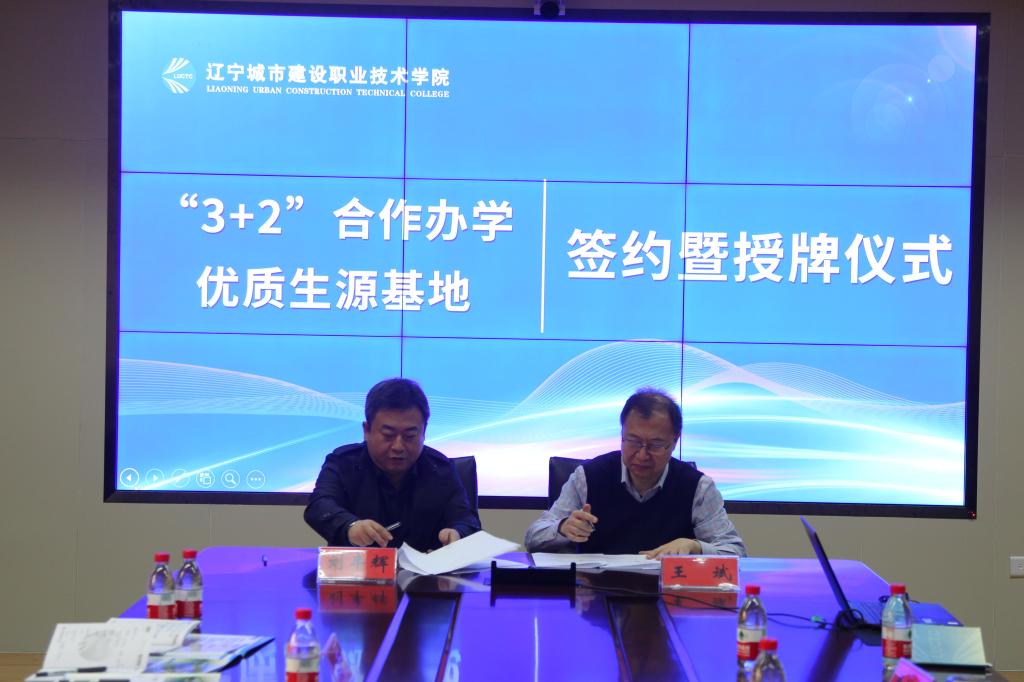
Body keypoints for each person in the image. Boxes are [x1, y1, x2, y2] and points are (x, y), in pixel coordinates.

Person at [525, 388, 745, 557]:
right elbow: (534, 536)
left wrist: (695, 546)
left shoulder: (697, 487)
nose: (642, 454)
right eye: (633, 441)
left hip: (670, 595)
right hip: (596, 593)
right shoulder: (588, 477)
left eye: (655, 445)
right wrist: (563, 528)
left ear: (674, 441)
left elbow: (735, 551)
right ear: (622, 434)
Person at [305, 378, 481, 551]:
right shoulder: (343, 462)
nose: (398, 446)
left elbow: (467, 520)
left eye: (409, 436)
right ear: (367, 430)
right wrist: (350, 526)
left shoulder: (441, 469)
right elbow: (319, 506)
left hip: (426, 569)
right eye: (388, 435)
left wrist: (457, 533)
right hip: (358, 568)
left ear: (424, 432)